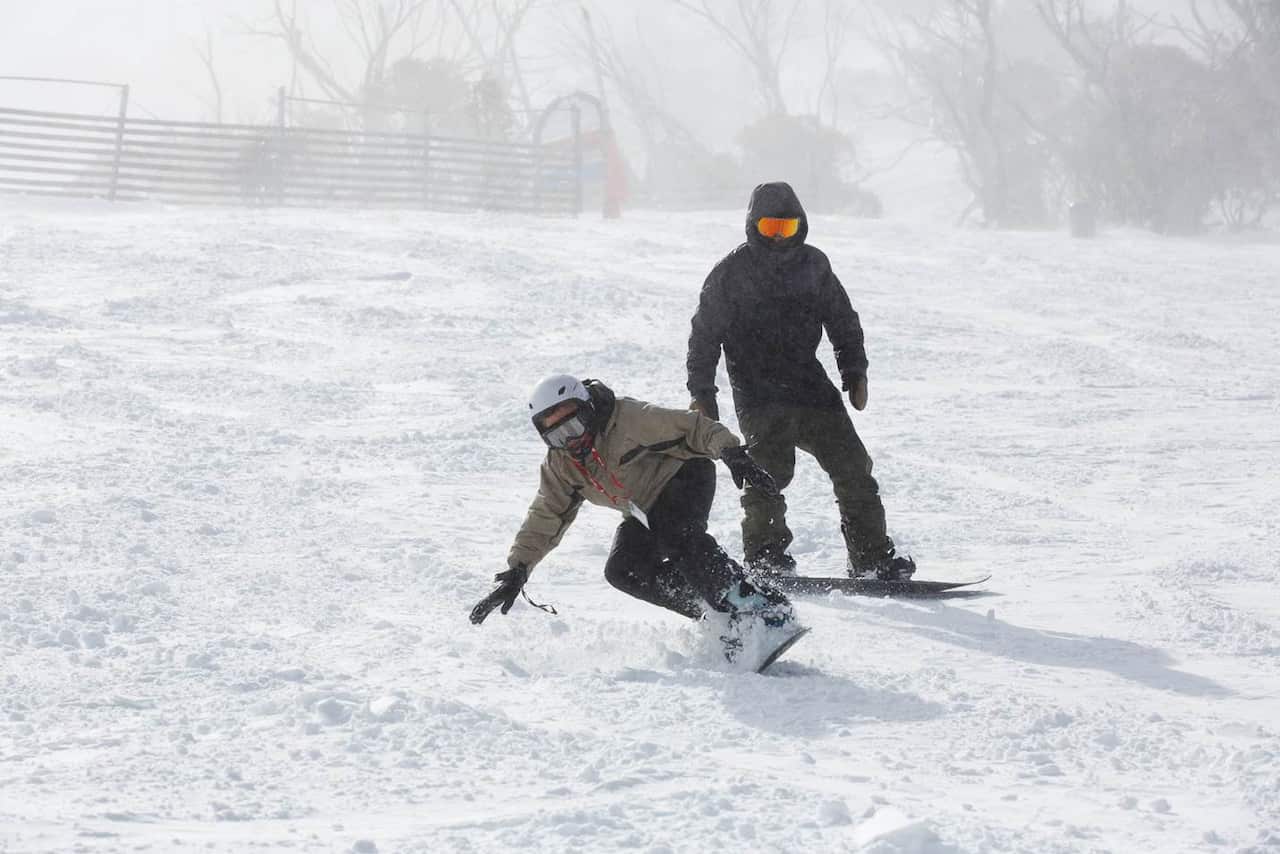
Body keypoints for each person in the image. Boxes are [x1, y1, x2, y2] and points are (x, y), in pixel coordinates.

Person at [686, 181, 915, 581]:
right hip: (758, 392)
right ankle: (766, 555)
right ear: (753, 226)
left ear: (801, 227)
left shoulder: (814, 266)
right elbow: (704, 336)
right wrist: (702, 393)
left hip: (810, 386)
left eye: (787, 229)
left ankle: (871, 557)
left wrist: (854, 370)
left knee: (853, 467)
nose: (778, 238)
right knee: (767, 473)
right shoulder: (730, 274)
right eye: (770, 228)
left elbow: (843, 320)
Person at [470, 374, 797, 654]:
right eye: (557, 435)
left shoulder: (628, 418)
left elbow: (694, 426)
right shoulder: (562, 465)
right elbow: (546, 515)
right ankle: (718, 613)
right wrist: (518, 569)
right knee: (623, 570)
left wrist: (728, 451)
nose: (572, 440)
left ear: (588, 409)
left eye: (574, 425)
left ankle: (759, 607)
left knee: (676, 534)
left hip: (683, 474)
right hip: (641, 509)